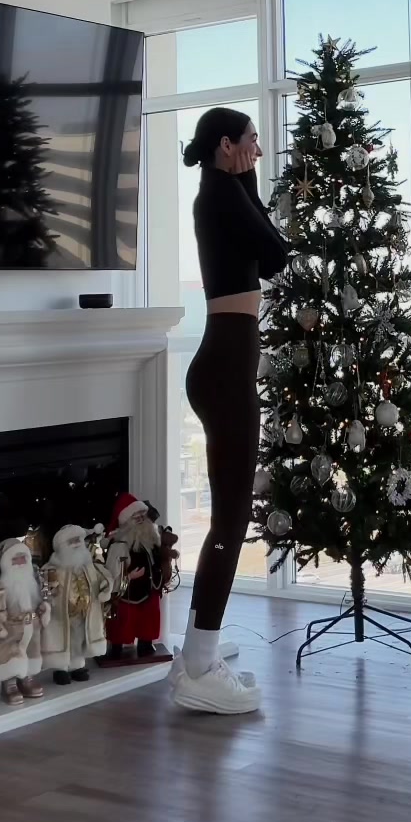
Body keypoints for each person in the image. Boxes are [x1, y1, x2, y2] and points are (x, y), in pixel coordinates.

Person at [174, 107, 289, 715]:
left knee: (230, 515)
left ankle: (197, 653)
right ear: (227, 145)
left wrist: (244, 181)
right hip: (223, 369)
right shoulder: (220, 195)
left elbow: (264, 254)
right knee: (231, 518)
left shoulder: (222, 193)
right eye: (252, 142)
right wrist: (244, 181)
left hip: (225, 365)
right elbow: (277, 252)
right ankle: (199, 668)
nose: (258, 152)